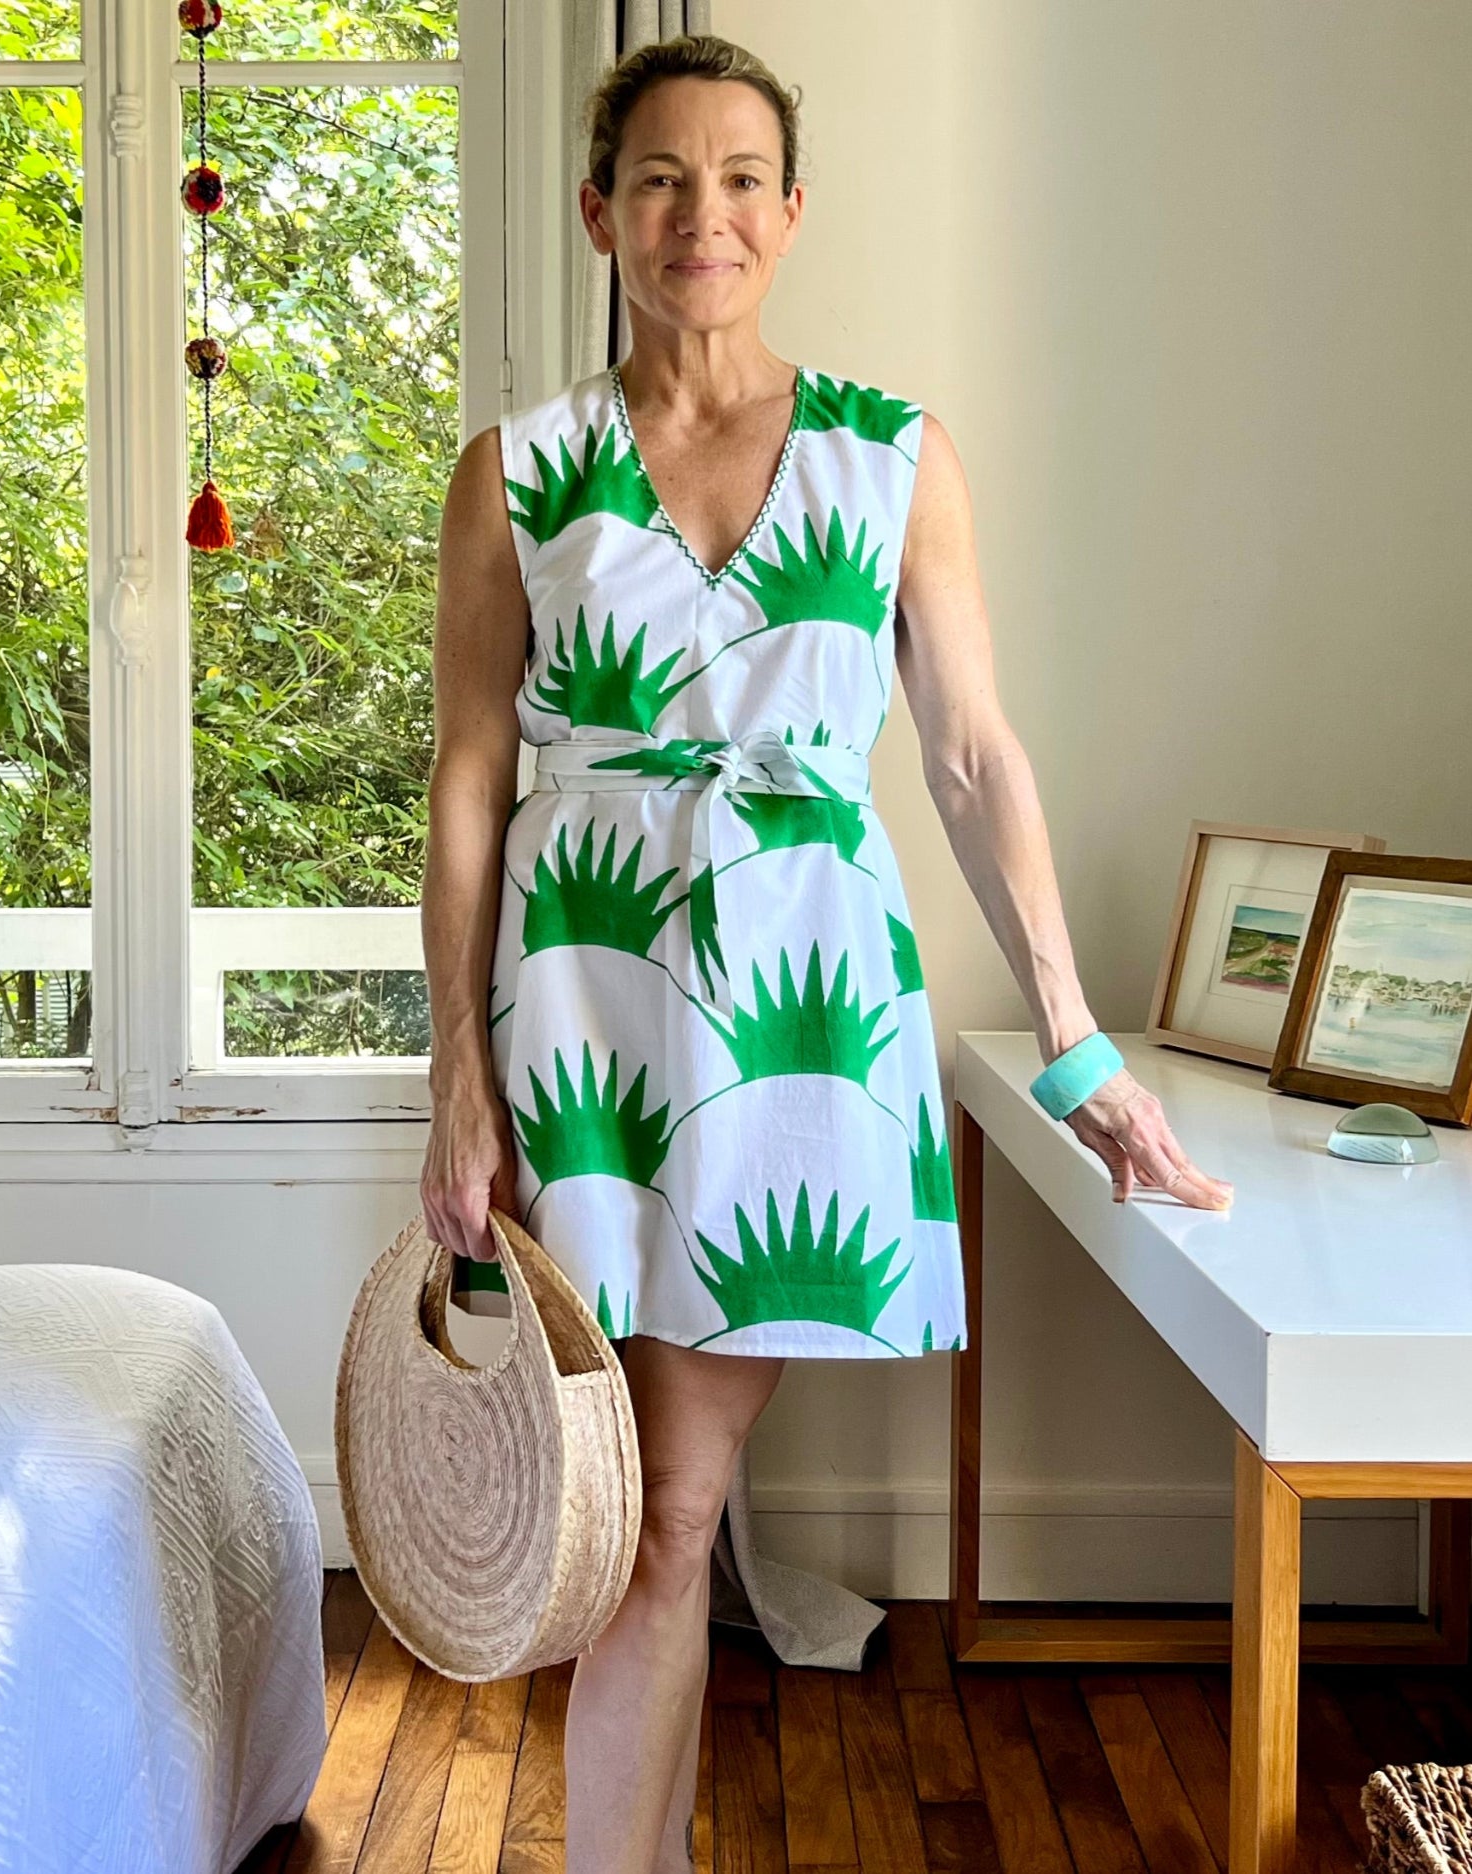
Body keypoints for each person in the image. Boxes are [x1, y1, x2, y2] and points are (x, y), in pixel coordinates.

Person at [418, 32, 1234, 1874]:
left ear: (791, 213)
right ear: (599, 210)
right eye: (658, 179)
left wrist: (1084, 1050)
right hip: (582, 1016)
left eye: (736, 181)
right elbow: (471, 782)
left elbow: (968, 755)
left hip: (801, 1016)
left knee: (679, 1511)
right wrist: (457, 1074)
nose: (698, 216)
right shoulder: (516, 474)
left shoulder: (894, 456)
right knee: (623, 1514)